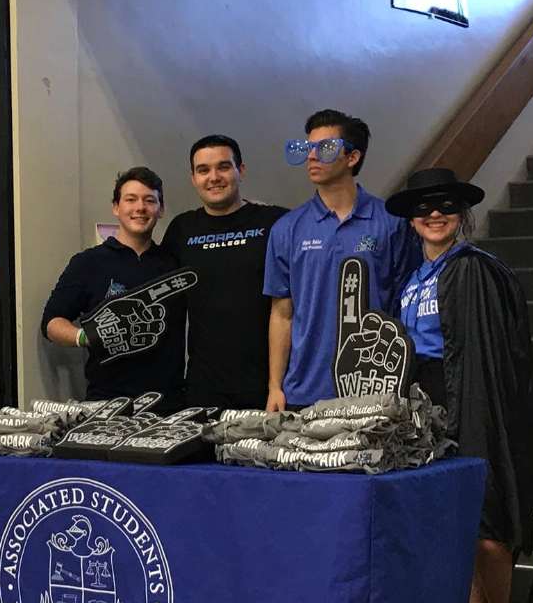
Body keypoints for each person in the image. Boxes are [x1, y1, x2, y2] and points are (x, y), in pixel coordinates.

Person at [387, 167, 533, 603]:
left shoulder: (474, 268)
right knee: (455, 529)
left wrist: (471, 411)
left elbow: (492, 355)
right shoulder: (411, 282)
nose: (434, 214)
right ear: (410, 219)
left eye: (445, 205)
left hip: (473, 400)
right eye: (424, 207)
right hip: (425, 404)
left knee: (488, 530)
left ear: (462, 214)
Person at [264, 109, 422, 411]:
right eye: (308, 148)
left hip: (375, 387)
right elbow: (282, 314)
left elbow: (406, 305)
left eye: (324, 148)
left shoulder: (391, 223)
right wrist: (275, 386)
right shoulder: (287, 228)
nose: (312, 157)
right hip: (304, 390)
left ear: (352, 157)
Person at [42, 167, 186, 413]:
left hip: (169, 406)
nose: (140, 207)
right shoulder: (88, 263)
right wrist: (85, 337)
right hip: (106, 403)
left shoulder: (175, 264)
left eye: (149, 200)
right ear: (116, 207)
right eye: (131, 199)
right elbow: (51, 323)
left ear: (160, 210)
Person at [162, 135, 288, 410]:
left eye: (223, 167)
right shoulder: (181, 230)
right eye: (203, 170)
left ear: (240, 171)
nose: (214, 177)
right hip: (201, 389)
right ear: (193, 178)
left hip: (268, 389)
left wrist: (275, 386)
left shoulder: (275, 222)